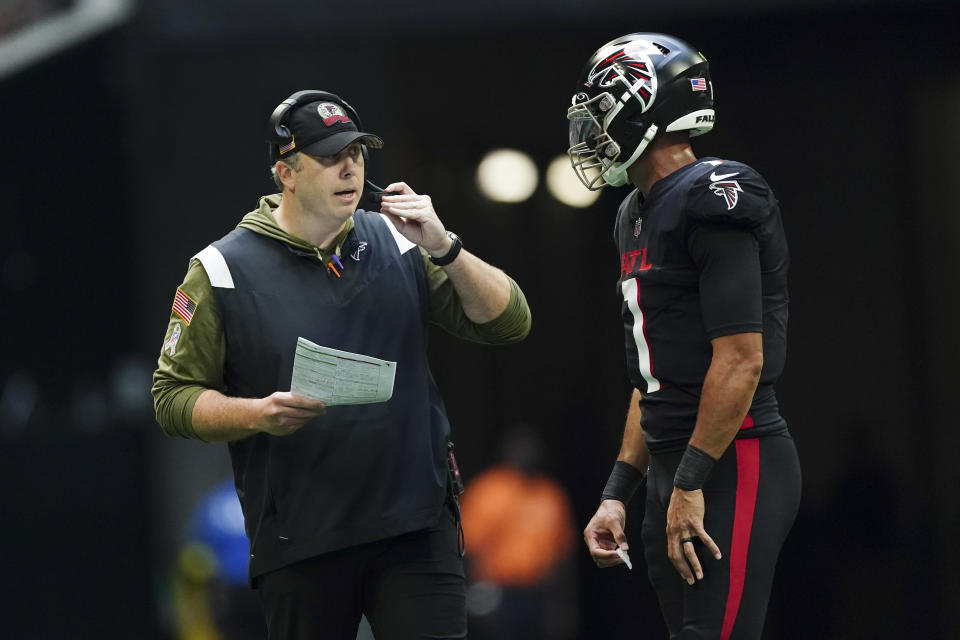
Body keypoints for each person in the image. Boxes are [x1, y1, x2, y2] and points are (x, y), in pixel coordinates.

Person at [152, 89, 532, 640]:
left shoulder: (399, 241)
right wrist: (256, 413)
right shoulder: (219, 270)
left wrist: (444, 245)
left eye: (356, 153)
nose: (349, 167)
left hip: (415, 528)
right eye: (330, 156)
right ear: (286, 171)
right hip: (301, 539)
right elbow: (171, 397)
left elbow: (509, 323)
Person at [571, 34, 801, 639]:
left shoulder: (713, 194)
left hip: (733, 457)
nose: (592, 124)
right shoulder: (635, 210)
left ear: (643, 103)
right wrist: (619, 491)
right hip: (675, 465)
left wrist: (692, 480)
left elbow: (741, 359)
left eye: (601, 106)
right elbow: (653, 374)